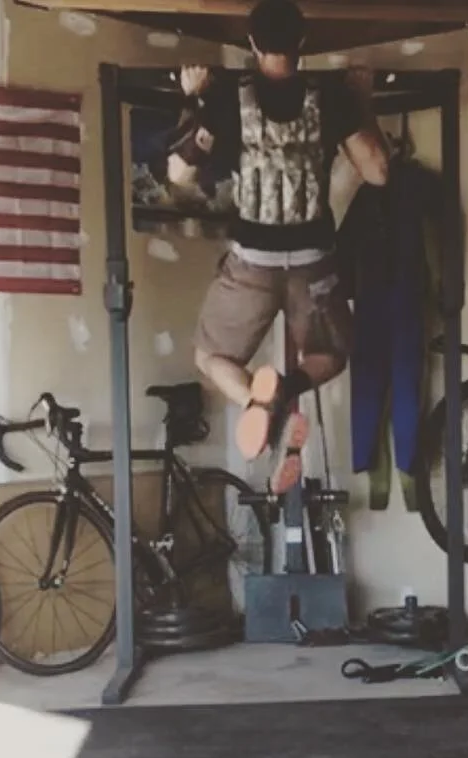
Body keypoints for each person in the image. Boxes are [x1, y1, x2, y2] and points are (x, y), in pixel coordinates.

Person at [167, 0, 389, 494]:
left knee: (210, 357)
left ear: (252, 44)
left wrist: (193, 100)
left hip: (252, 263)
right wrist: (362, 102)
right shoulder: (332, 98)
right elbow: (377, 172)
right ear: (302, 43)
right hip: (315, 265)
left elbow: (179, 175)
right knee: (331, 355)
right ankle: (283, 393)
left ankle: (259, 403)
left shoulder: (226, 99)